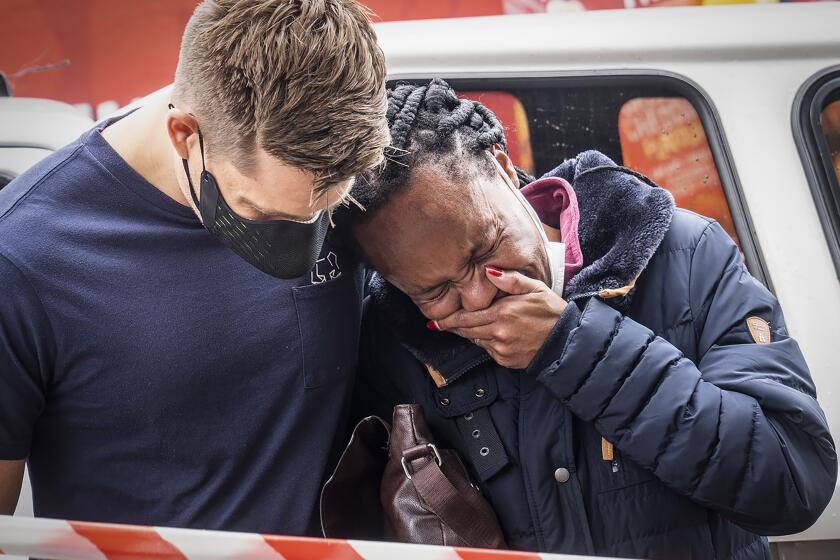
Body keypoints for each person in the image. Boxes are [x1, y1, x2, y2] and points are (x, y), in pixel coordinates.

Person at [338, 79, 837, 558]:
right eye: (437, 290)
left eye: (485, 249)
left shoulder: (684, 256)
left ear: (505, 168)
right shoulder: (390, 339)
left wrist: (573, 348)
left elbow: (792, 483)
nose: (479, 293)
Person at [0, 0, 389, 535]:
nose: (303, 239)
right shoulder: (23, 258)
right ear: (184, 133)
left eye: (328, 210)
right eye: (262, 213)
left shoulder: (340, 169)